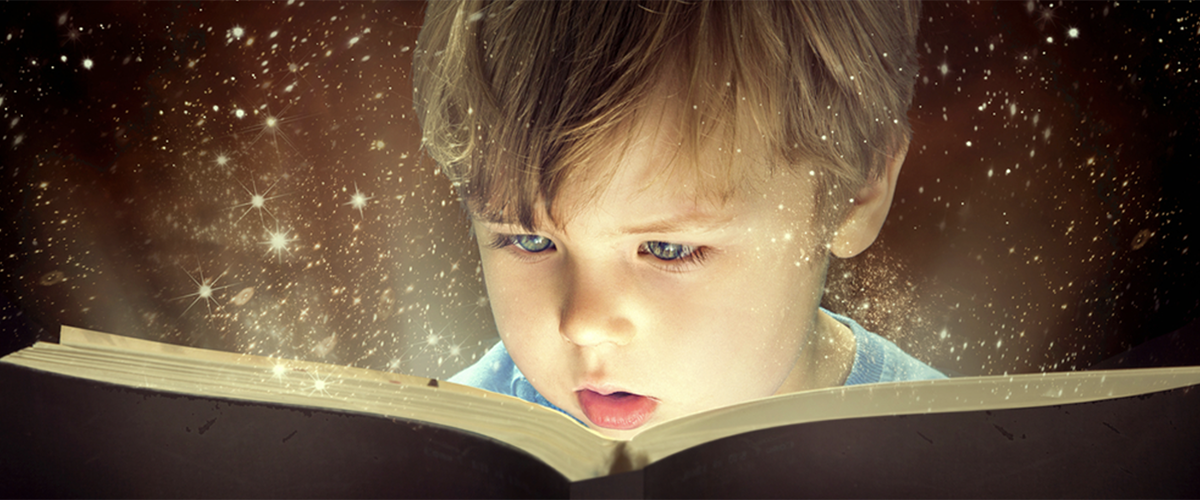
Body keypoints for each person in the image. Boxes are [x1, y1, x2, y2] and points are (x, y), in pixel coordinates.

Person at [412, 0, 944, 438]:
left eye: (667, 248)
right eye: (529, 240)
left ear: (857, 193)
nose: (585, 324)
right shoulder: (442, 447)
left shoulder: (956, 454)